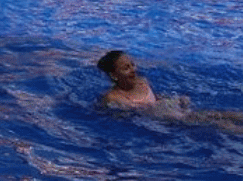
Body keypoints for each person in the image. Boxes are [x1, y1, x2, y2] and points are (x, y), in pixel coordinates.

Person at [97, 50, 243, 130]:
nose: (133, 70)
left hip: (171, 112)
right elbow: (126, 118)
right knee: (217, 123)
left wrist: (175, 100)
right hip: (167, 122)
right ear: (114, 75)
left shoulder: (142, 82)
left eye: (132, 65)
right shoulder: (113, 98)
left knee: (218, 114)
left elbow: (155, 98)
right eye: (126, 68)